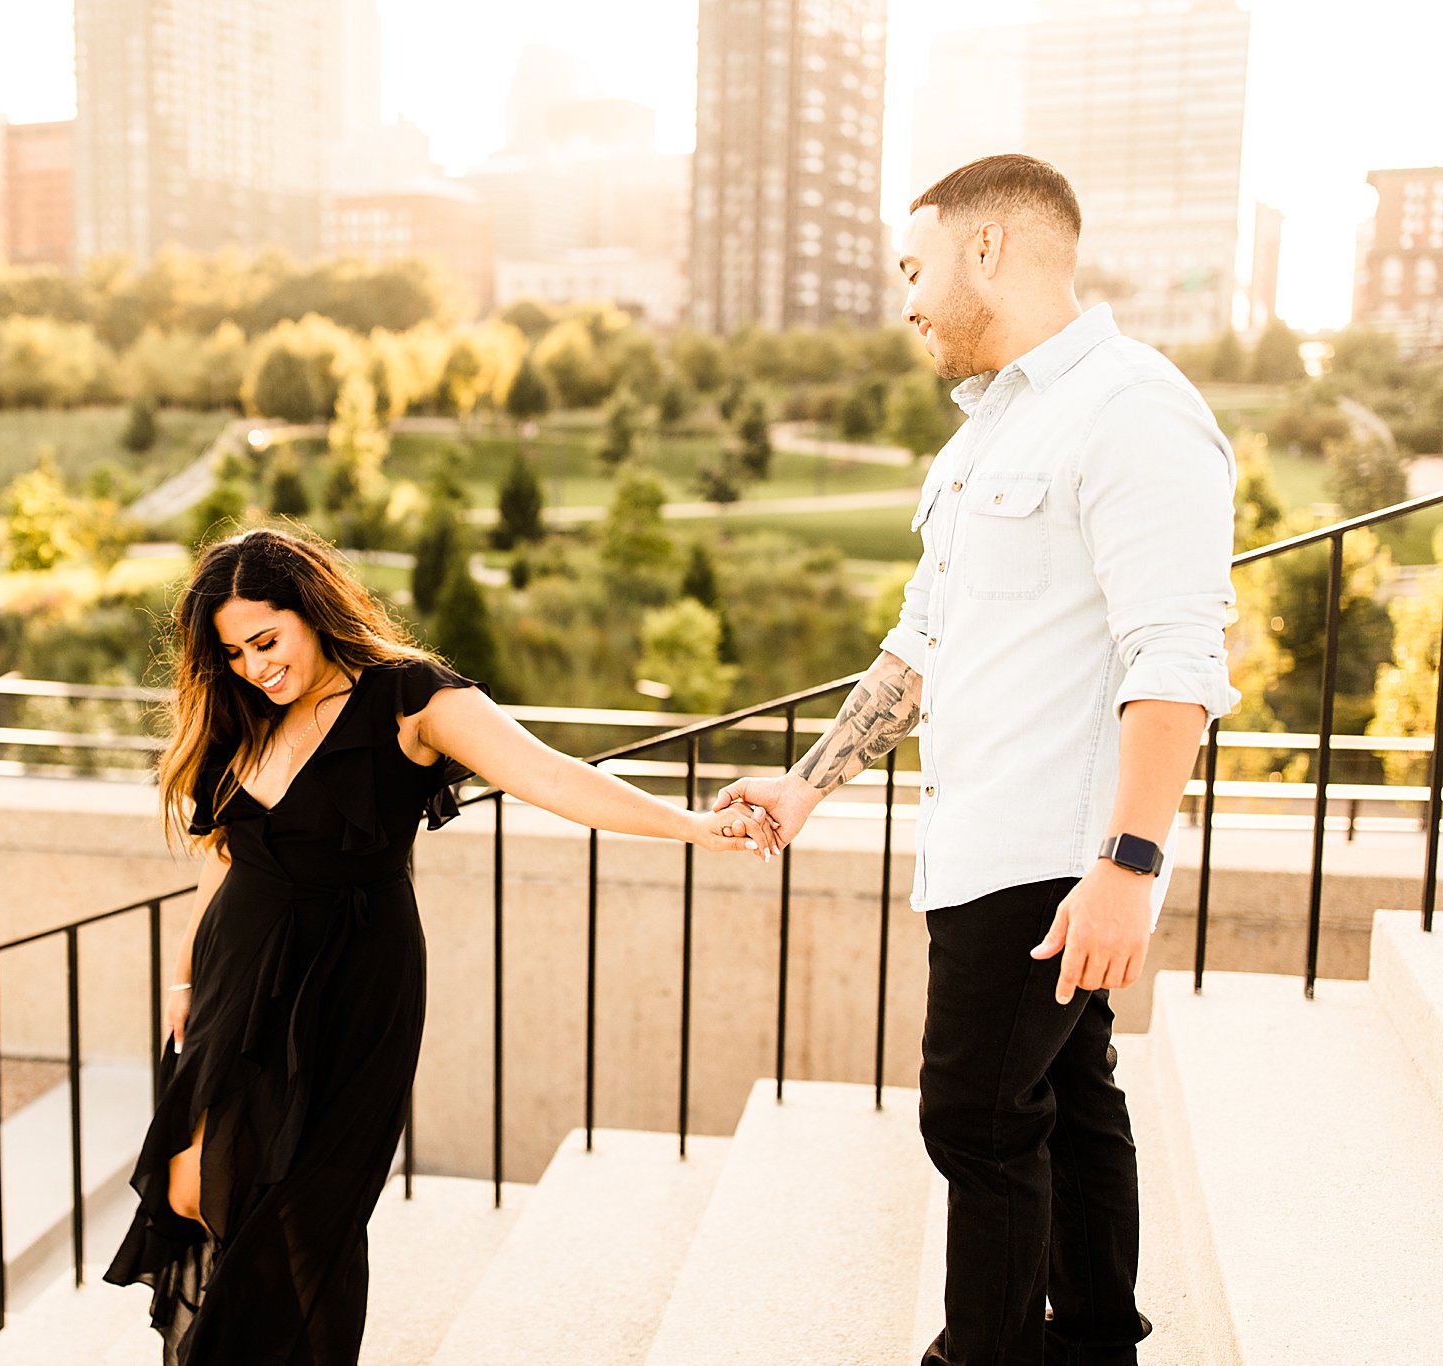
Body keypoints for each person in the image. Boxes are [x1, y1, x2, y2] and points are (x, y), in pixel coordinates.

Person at [716, 154, 1239, 1366]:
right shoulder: (992, 428)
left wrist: (1125, 862)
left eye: (914, 267)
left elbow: (1174, 660)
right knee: (1071, 1103)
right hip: (987, 840)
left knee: (976, 1121)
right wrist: (806, 782)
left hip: (1047, 855)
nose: (905, 301)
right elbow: (921, 642)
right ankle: (1095, 1334)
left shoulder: (1134, 410)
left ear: (987, 249)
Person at [105, 527, 771, 1365]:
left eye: (266, 641)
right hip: (235, 984)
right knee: (194, 1187)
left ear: (311, 610)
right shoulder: (247, 712)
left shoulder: (409, 699)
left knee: (307, 1214)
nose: (253, 667)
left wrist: (693, 828)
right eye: (234, 653)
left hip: (350, 990)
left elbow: (554, 775)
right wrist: (183, 982)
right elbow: (228, 856)